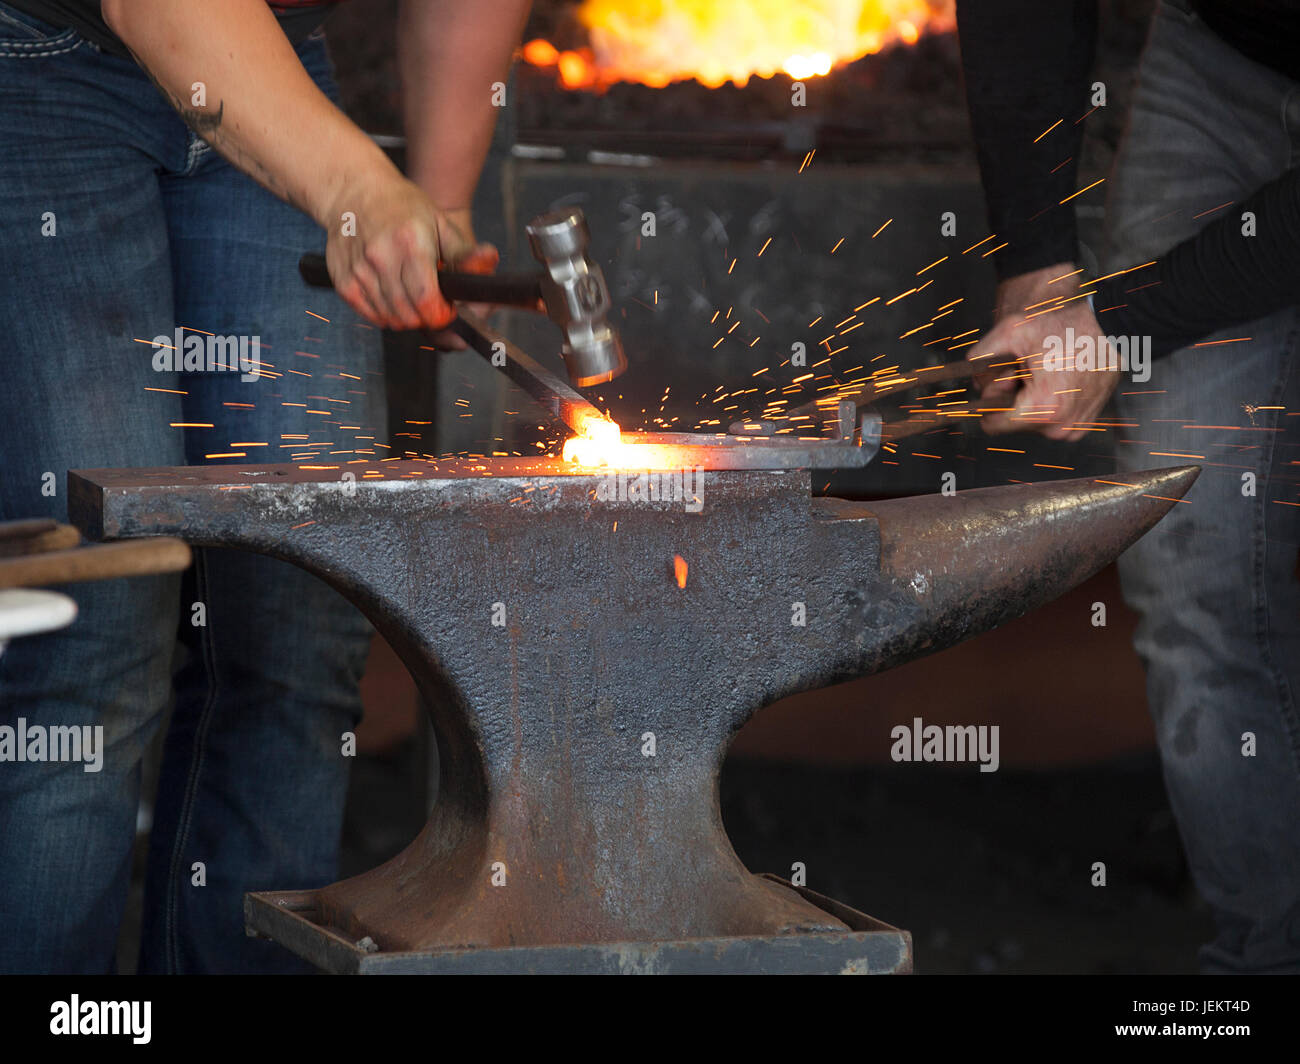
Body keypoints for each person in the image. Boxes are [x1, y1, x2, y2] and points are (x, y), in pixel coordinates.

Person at [0, 0, 530, 973]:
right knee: (92, 630)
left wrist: (436, 211)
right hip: (36, 61)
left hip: (274, 55)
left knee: (297, 616)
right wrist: (358, 190)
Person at [957, 0, 1300, 972]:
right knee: (1189, 542)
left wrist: (1119, 317)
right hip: (1221, 58)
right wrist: (1033, 261)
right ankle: (1265, 958)